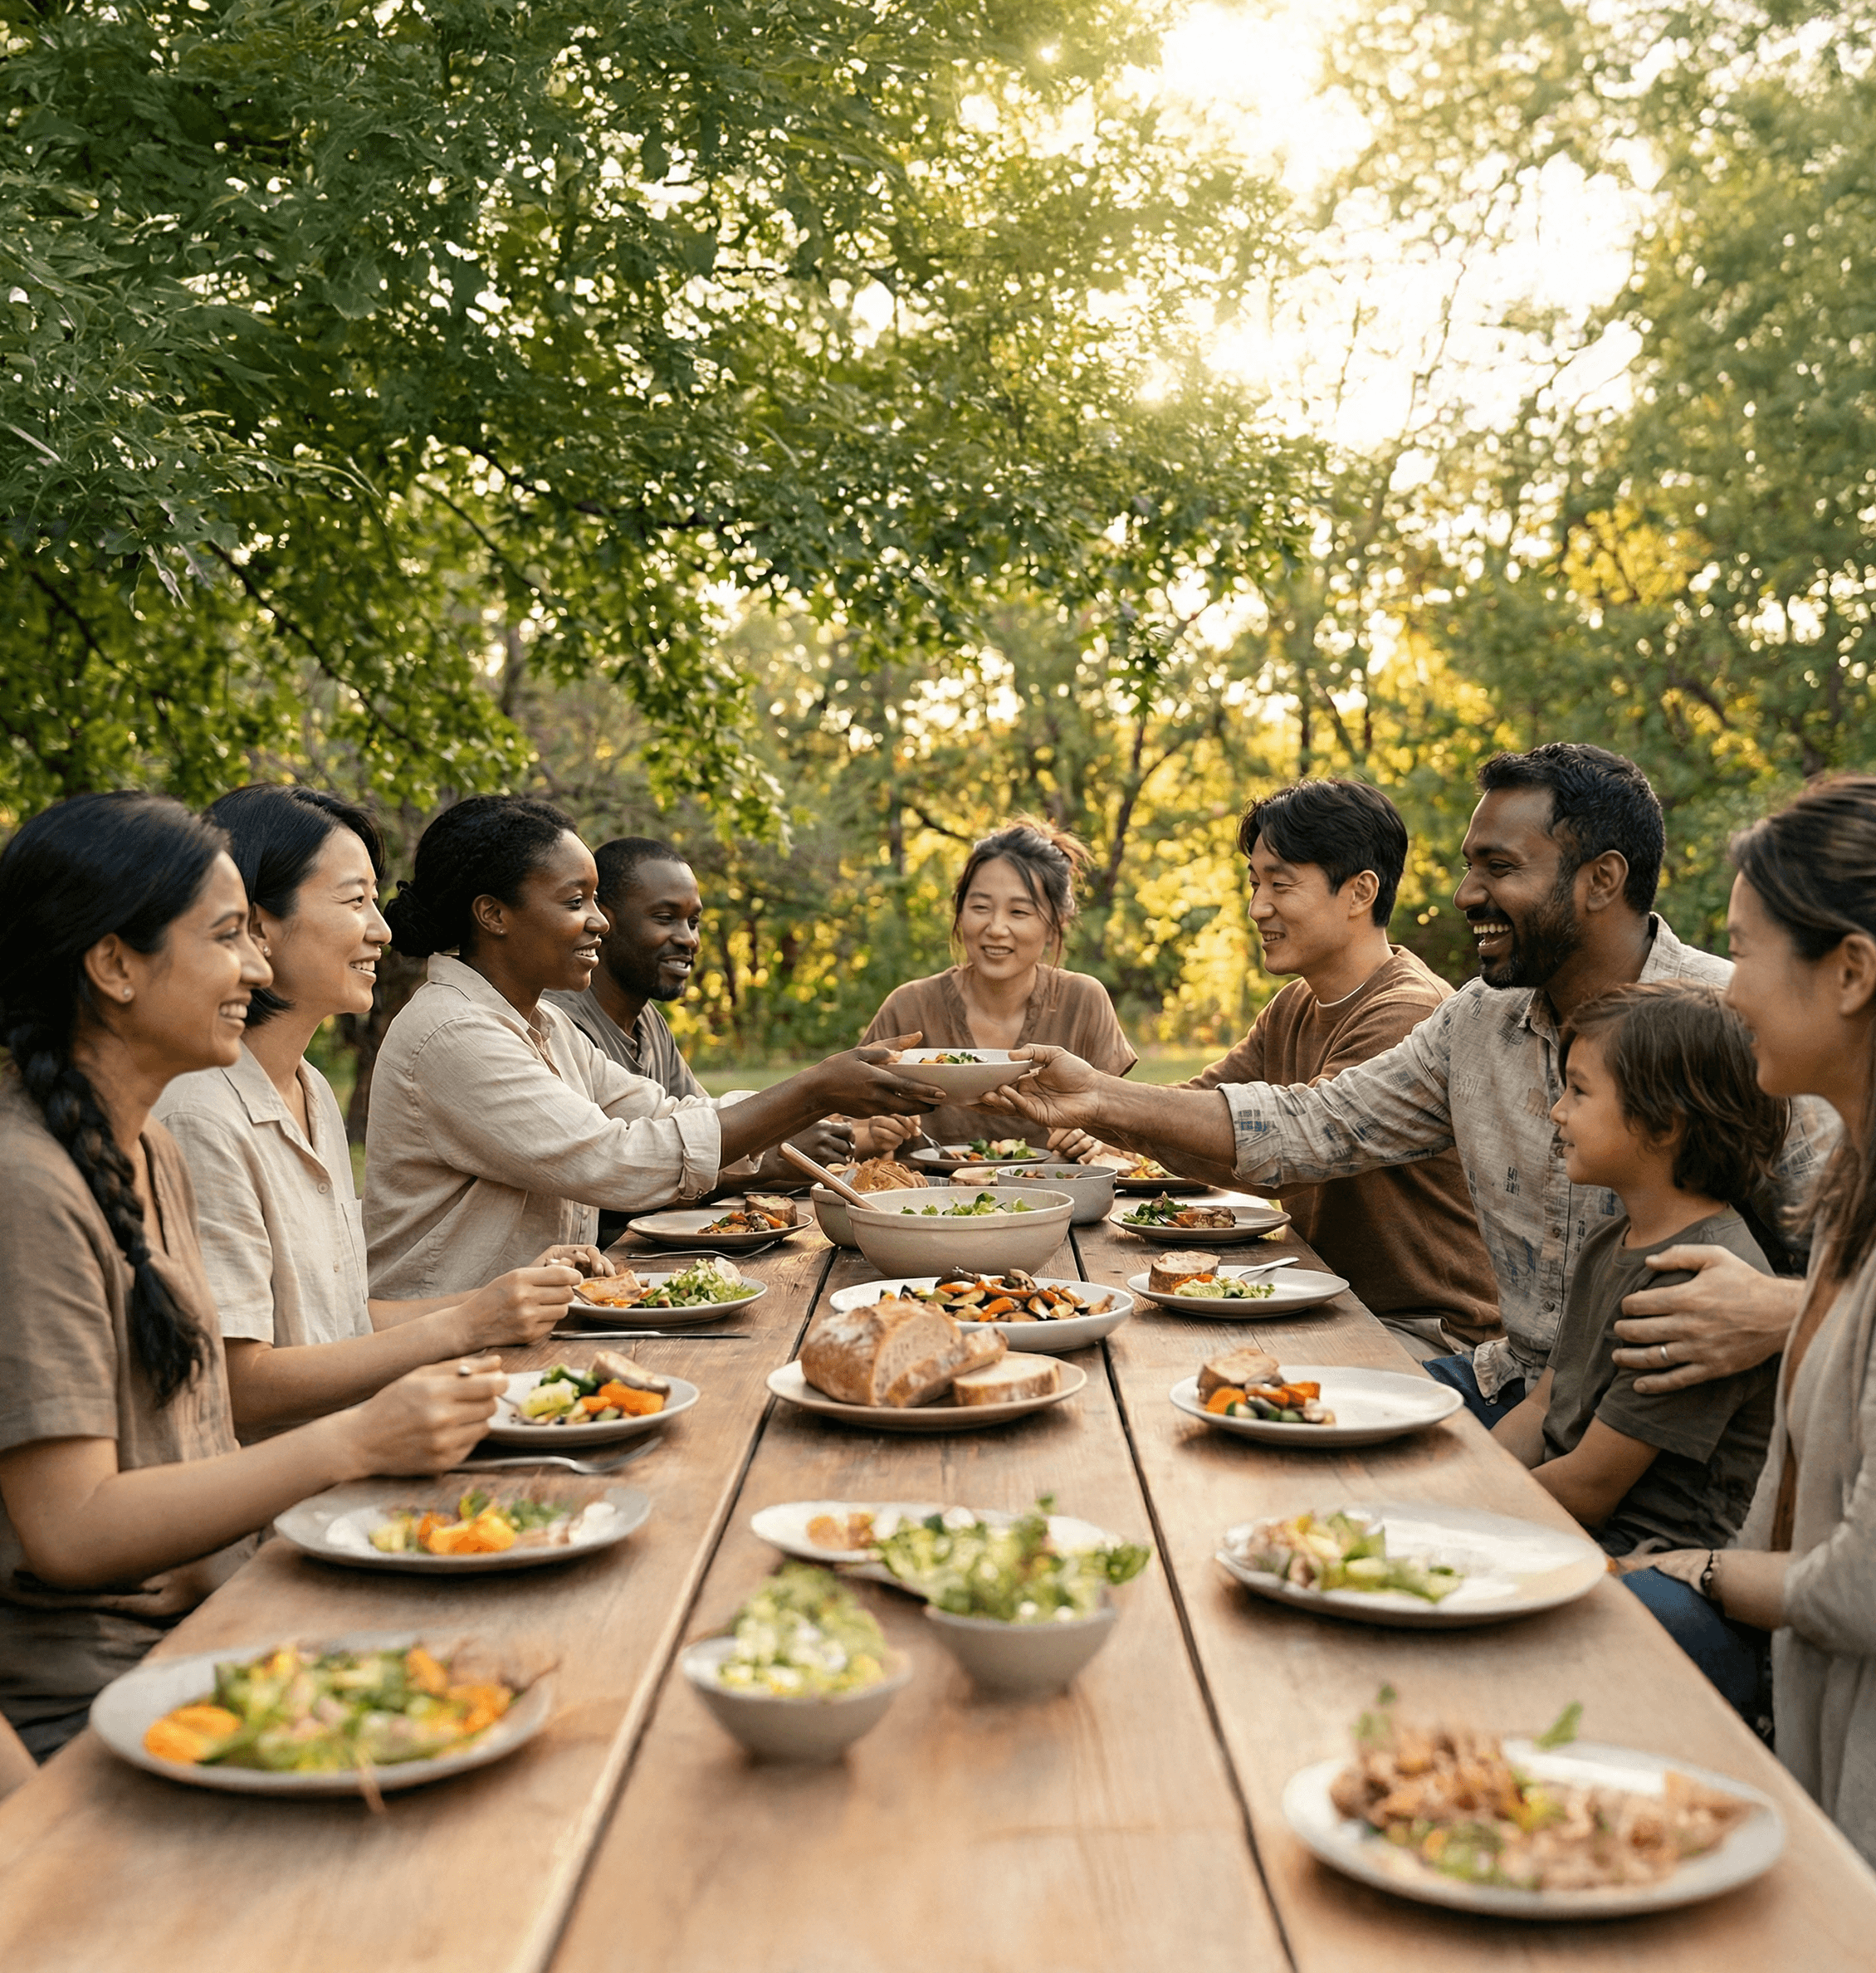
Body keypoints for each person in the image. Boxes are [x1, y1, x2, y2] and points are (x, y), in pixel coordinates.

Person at [982, 745, 1832, 1424]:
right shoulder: (1478, 1022)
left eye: (1497, 868)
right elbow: (1312, 1125)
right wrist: (1097, 1096)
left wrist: (1784, 1311)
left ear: (1600, 880)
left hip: (1657, 1443)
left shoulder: (1738, 1021)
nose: (1465, 894)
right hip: (1516, 1384)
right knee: (1225, 1414)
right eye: (1469, 865)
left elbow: (1847, 1243)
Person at [0, 794, 504, 1760]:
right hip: (106, 1687)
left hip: (226, 1614)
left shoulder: (148, 1145)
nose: (259, 967)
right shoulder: (29, 1182)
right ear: (113, 964)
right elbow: (72, 1528)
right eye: (229, 936)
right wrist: (355, 1442)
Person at [365, 796, 943, 1297]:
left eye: (596, 901)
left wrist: (819, 1095)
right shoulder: (454, 1032)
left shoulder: (543, 1026)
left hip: (527, 1330)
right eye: (575, 902)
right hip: (443, 1352)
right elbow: (612, 1160)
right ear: (492, 914)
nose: (600, 922)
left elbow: (669, 1115)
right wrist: (815, 1089)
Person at [155, 785, 598, 1438]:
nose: (383, 929)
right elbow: (240, 1387)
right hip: (281, 1507)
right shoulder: (198, 1115)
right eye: (354, 900)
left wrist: (503, 1298)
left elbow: (339, 1322)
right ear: (255, 925)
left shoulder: (307, 1089)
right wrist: (466, 1324)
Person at [1620, 776, 1876, 1863]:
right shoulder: (1847, 1196)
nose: (1726, 990)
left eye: (1745, 949)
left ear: (1852, 970)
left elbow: (1858, 1590)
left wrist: (1688, 1573)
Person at [1160, 779, 1498, 1360]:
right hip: (1328, 1300)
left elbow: (1289, 1160)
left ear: (1360, 891)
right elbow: (1199, 1105)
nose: (1257, 906)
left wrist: (1094, 1099)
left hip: (1424, 1333)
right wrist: (1089, 1110)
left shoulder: (1408, 1011)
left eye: (1279, 883)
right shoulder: (1294, 1005)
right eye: (1254, 883)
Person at [1494, 984, 1782, 1576]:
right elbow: (1544, 1403)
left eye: (1579, 1090)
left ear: (1663, 1122)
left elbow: (1592, 1486)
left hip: (1655, 1568)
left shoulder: (1700, 1281)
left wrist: (1461, 1509)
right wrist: (1467, 1480)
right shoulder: (1611, 1240)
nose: (1557, 1109)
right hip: (1573, 1526)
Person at [545, 837, 852, 1243]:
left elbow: (712, 1124)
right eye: (665, 917)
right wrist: (770, 1162)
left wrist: (801, 1130)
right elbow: (618, 1187)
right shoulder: (558, 1026)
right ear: (605, 920)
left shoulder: (649, 1022)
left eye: (693, 922)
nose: (688, 939)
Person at [854, 818, 1132, 1161]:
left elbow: (1127, 1132)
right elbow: (842, 1129)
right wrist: (874, 1134)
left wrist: (1094, 1141)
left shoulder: (1083, 1001)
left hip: (1060, 1207)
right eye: (980, 907)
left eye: (1019, 911)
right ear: (960, 910)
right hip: (925, 1209)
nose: (996, 928)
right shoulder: (909, 1007)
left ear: (1055, 923)